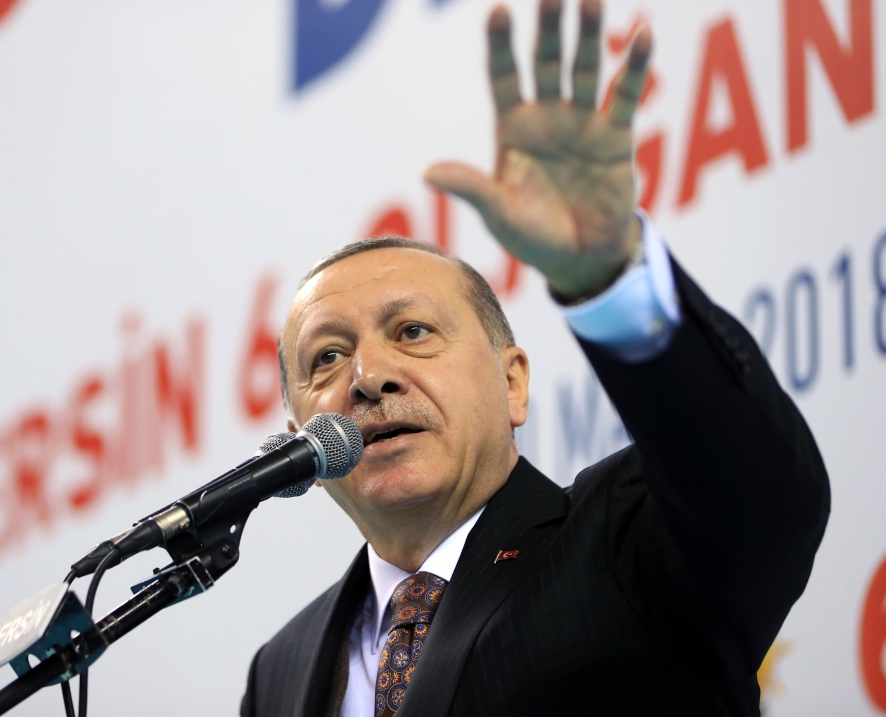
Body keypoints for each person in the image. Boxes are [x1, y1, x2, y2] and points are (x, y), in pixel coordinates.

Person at [240, 0, 830, 715]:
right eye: (328, 356)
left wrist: (609, 280)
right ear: (299, 423)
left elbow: (762, 495)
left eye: (414, 332)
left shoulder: (621, 543)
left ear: (513, 382)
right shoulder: (281, 668)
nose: (369, 377)